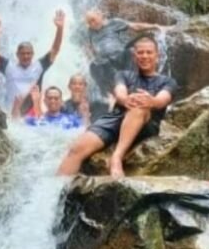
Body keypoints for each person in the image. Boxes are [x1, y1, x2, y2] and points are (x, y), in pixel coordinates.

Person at [57, 36, 177, 179]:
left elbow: (163, 99)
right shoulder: (124, 75)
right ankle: (56, 188)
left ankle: (116, 157)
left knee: (139, 106)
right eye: (140, 52)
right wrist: (125, 99)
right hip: (116, 119)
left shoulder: (167, 81)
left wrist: (151, 101)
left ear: (157, 55)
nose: (144, 56)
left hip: (144, 123)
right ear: (134, 56)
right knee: (76, 149)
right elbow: (119, 91)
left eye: (149, 52)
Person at [0, 10, 66, 116]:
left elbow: (55, 50)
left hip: (32, 114)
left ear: (33, 54)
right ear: (17, 55)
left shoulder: (39, 66)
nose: (26, 56)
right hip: (11, 113)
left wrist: (60, 28)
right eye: (23, 54)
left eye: (28, 53)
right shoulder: (9, 67)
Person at [84, 8, 161, 95]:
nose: (92, 24)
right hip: (105, 63)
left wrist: (155, 26)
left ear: (100, 15)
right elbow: (89, 48)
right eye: (89, 22)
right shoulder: (90, 31)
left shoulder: (113, 23)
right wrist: (92, 56)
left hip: (119, 57)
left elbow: (135, 27)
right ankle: (109, 96)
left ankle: (135, 86)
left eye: (93, 20)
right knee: (93, 66)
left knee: (131, 51)